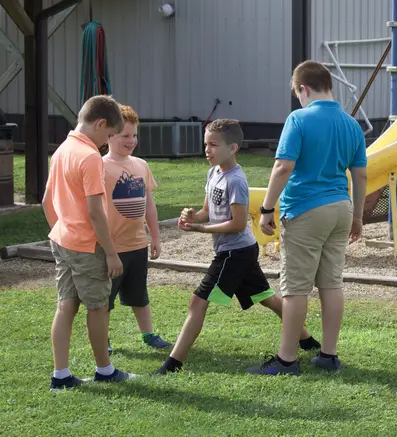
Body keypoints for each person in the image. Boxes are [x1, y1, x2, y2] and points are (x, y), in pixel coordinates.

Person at [153, 118, 319, 375]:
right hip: (238, 250)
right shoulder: (213, 173)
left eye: (213, 145)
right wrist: (191, 217)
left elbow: (237, 223)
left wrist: (201, 229)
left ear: (232, 148)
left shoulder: (236, 181)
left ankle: (173, 364)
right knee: (265, 297)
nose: (207, 150)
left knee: (198, 302)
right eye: (205, 144)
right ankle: (307, 340)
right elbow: (208, 212)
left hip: (235, 252)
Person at [248, 60, 367, 376]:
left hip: (304, 209)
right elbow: (361, 174)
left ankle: (286, 360)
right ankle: (328, 355)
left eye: (297, 93)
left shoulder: (298, 119)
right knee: (331, 282)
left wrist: (267, 208)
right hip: (341, 208)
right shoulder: (351, 124)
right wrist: (356, 216)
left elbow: (283, 167)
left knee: (296, 288)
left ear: (303, 89)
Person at [42, 95, 134, 390]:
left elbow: (47, 200)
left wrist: (62, 230)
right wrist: (111, 253)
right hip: (86, 246)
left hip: (62, 240)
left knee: (65, 306)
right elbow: (95, 211)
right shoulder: (90, 156)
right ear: (100, 124)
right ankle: (104, 370)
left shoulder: (62, 150)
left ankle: (61, 375)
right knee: (97, 308)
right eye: (108, 135)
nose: (107, 142)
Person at [103, 105, 172, 355]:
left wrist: (154, 236)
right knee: (105, 301)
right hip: (112, 248)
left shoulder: (141, 165)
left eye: (134, 135)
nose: (131, 141)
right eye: (125, 136)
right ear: (109, 135)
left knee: (139, 295)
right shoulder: (100, 167)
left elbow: (149, 205)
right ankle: (104, 340)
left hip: (137, 245)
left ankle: (148, 334)